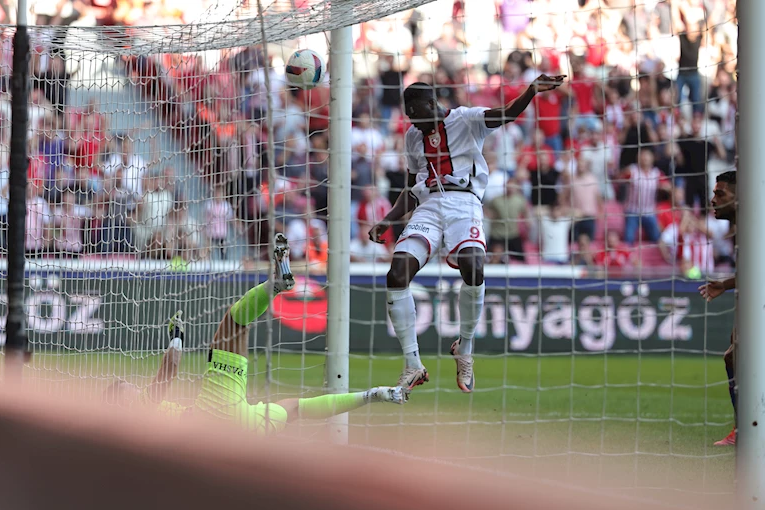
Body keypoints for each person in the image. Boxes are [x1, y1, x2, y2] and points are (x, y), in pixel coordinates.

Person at [368, 74, 566, 393]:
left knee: (474, 265)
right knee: (397, 271)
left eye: (417, 115)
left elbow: (505, 115)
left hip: (465, 202)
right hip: (430, 204)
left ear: (432, 104)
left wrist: (529, 90)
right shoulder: (412, 137)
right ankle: (412, 363)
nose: (414, 123)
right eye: (410, 117)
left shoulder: (465, 119)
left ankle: (466, 347)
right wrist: (389, 219)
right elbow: (409, 185)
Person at [104, 233, 409, 432]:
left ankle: (374, 394)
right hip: (214, 415)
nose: (131, 385)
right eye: (125, 386)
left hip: (238, 432)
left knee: (296, 409)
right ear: (122, 402)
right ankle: (275, 284)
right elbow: (170, 368)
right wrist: (177, 337)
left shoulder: (138, 432)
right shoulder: (137, 412)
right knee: (234, 321)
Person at [698, 170, 737, 446]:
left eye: (720, 193)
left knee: (735, 356)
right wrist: (726, 284)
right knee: (733, 357)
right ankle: (746, 428)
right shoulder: (740, 228)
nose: (713, 199)